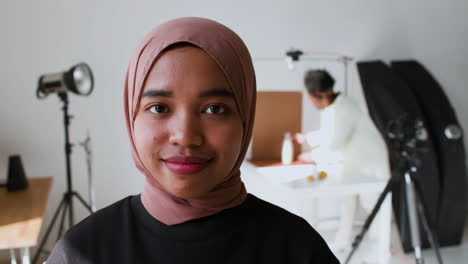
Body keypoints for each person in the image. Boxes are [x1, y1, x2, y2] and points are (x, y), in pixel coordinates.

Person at [46, 17, 338, 264]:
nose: (185, 136)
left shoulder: (297, 250)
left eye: (215, 109)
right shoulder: (83, 252)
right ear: (131, 116)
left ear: (246, 118)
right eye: (159, 108)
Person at [293, 69, 391, 252]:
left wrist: (312, 155)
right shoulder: (334, 107)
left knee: (372, 205)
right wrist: (306, 139)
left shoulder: (343, 108)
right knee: (347, 202)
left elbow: (334, 142)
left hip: (370, 164)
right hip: (355, 163)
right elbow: (328, 133)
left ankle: (379, 249)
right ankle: (342, 243)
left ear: (314, 95)